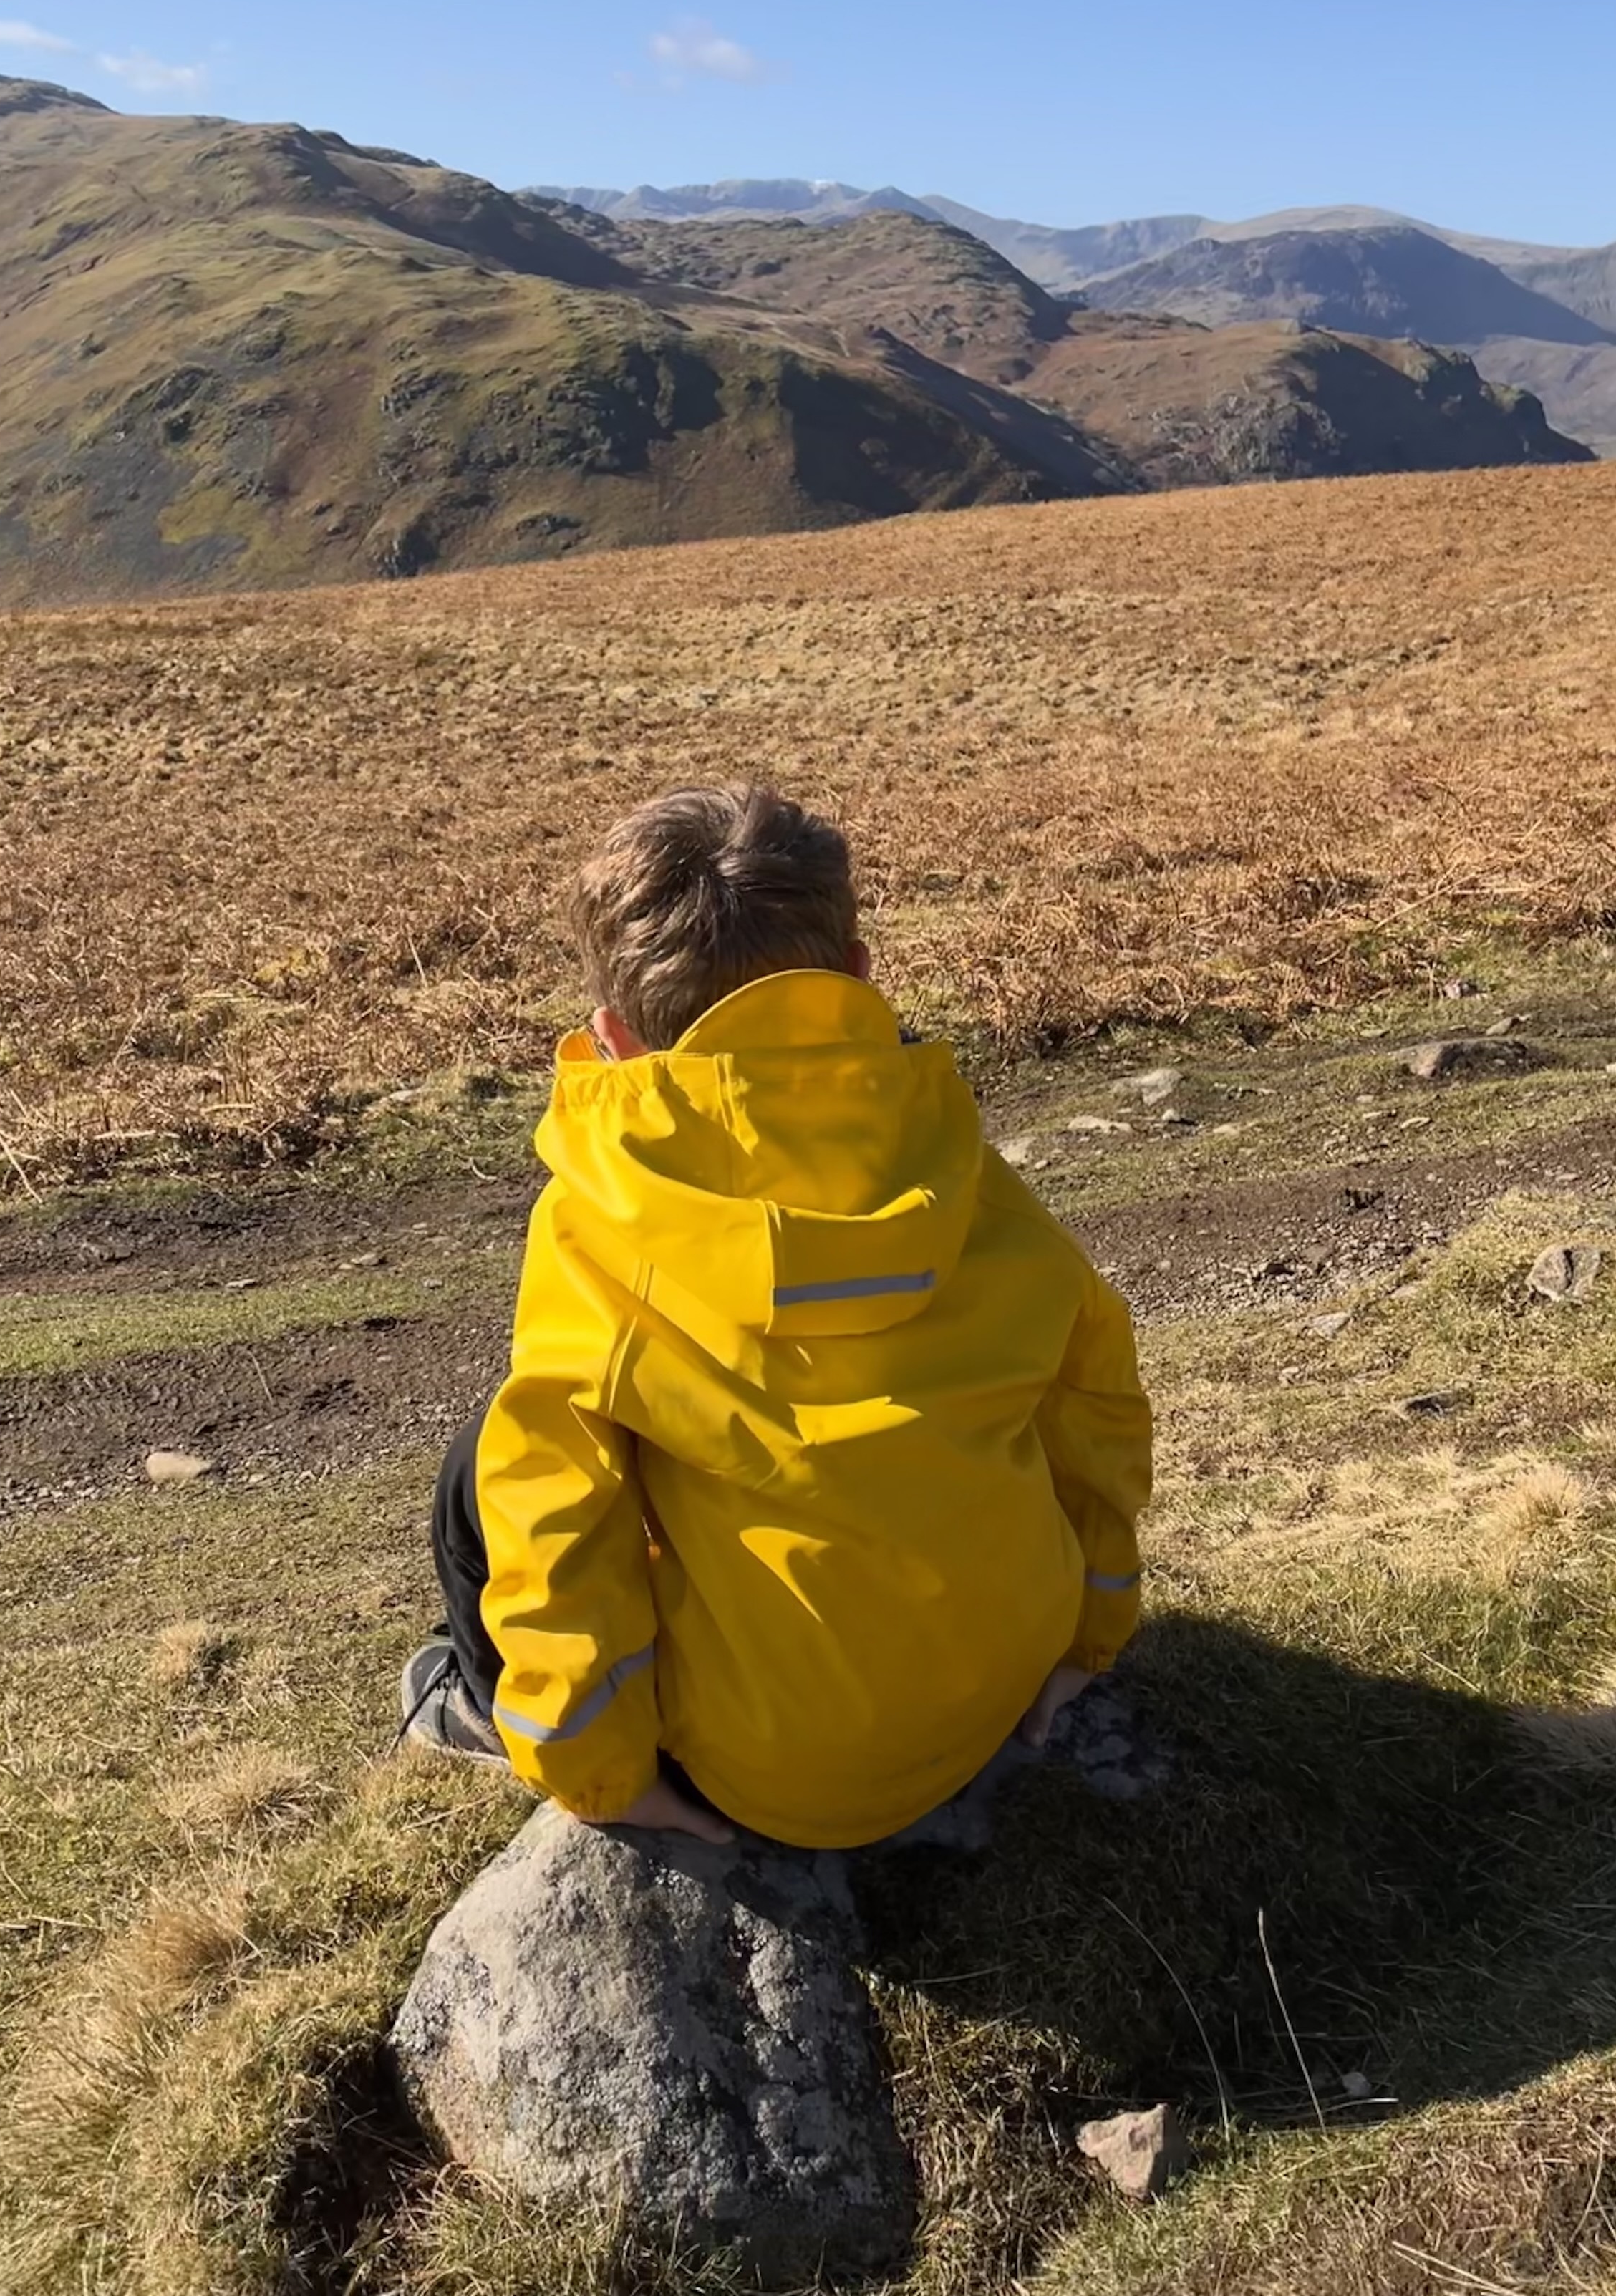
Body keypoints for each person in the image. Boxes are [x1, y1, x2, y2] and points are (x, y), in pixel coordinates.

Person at [397, 783, 1152, 1850]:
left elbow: (555, 1532)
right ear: (856, 975)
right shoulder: (955, 1164)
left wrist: (604, 1779)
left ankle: (482, 1711)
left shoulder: (596, 1218)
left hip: (778, 1779)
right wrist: (1089, 1642)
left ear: (612, 1038)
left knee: (486, 1469)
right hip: (1006, 1688)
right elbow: (1098, 1412)